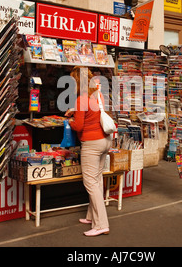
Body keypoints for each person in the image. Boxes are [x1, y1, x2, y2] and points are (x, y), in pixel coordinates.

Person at [65, 66, 112, 237]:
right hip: (105, 140)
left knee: (90, 183)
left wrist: (70, 120)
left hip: (92, 143)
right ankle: (91, 217)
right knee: (97, 180)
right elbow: (93, 114)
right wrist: (76, 112)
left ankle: (101, 225)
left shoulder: (80, 99)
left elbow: (79, 125)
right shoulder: (97, 95)